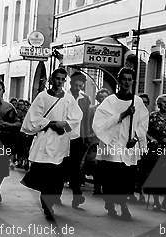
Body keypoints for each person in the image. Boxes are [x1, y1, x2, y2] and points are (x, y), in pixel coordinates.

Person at [21, 68, 83, 220]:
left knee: (57, 176)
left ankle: (51, 201)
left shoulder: (68, 98)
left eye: (63, 79)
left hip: (61, 143)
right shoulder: (42, 96)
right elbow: (33, 118)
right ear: (51, 80)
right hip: (45, 140)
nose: (60, 82)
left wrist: (64, 128)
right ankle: (46, 204)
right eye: (57, 79)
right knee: (45, 175)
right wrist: (51, 123)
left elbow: (76, 119)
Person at [92, 68, 148, 220]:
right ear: (119, 81)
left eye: (130, 79)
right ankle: (110, 202)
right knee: (112, 177)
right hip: (113, 146)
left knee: (126, 178)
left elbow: (142, 124)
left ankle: (123, 205)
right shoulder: (110, 101)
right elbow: (100, 124)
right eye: (124, 79)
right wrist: (123, 114)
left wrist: (135, 139)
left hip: (129, 146)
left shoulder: (137, 101)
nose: (127, 82)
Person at [143, 94, 166, 212]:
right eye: (164, 102)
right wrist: (151, 139)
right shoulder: (153, 116)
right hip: (156, 149)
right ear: (158, 104)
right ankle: (156, 202)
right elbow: (145, 131)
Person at [66, 73, 91, 208]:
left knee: (76, 167)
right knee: (62, 165)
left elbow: (86, 119)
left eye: (80, 86)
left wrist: (86, 136)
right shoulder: (64, 96)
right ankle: (55, 194)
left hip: (79, 137)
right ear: (70, 83)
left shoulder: (85, 99)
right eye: (75, 85)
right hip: (64, 136)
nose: (77, 88)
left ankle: (77, 195)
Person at [86, 88, 109, 195]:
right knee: (96, 163)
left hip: (108, 141)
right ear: (98, 98)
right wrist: (90, 135)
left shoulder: (112, 111)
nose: (103, 99)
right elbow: (88, 124)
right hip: (95, 140)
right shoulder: (92, 109)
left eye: (106, 97)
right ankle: (97, 187)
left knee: (106, 164)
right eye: (101, 97)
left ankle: (105, 186)